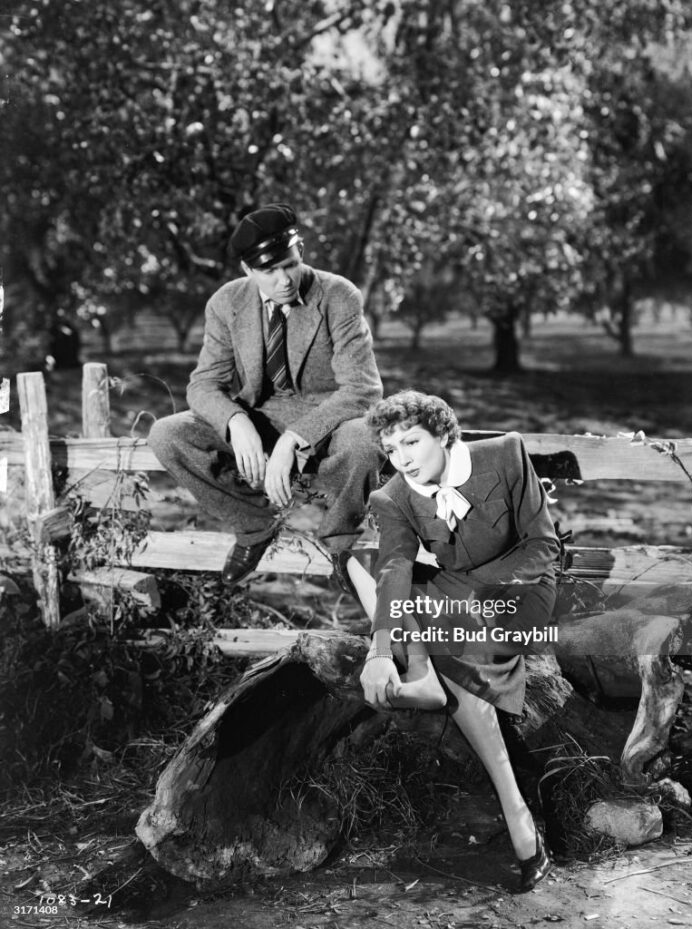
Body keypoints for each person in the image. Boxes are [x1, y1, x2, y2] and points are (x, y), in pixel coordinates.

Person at [343, 390, 560, 892]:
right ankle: (519, 821)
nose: (402, 459)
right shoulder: (393, 496)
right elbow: (396, 565)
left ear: (443, 434)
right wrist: (378, 654)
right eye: (391, 449)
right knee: (365, 565)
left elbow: (543, 545)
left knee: (439, 614)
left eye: (412, 443)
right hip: (457, 603)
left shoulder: (505, 454)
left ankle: (426, 679)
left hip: (519, 591)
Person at [149, 203, 384, 586]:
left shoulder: (340, 295)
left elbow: (363, 389)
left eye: (289, 264)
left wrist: (295, 438)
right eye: (268, 271)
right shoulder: (227, 302)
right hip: (258, 417)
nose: (284, 280)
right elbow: (203, 384)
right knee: (166, 434)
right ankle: (255, 526)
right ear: (247, 271)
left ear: (301, 252)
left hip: (326, 420)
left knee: (364, 441)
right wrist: (236, 421)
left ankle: (342, 546)